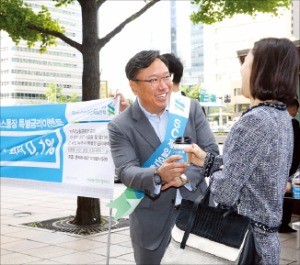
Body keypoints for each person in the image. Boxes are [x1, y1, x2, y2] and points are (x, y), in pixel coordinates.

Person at [184, 38, 299, 265]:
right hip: (265, 243)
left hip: (244, 245)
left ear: (260, 69)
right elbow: (255, 172)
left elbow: (225, 191)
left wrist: (215, 176)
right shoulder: (281, 116)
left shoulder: (255, 120)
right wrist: (208, 161)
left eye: (247, 62)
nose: (242, 69)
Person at [108, 50, 219, 264]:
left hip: (197, 214)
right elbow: (126, 171)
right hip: (151, 225)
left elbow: (210, 155)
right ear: (134, 86)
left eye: (166, 77)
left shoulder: (189, 109)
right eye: (153, 80)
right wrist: (158, 174)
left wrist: (185, 177)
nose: (163, 86)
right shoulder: (121, 125)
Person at [279, 98, 300, 233]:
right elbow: (297, 148)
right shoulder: (294, 124)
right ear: (293, 108)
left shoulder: (278, 122)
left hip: (278, 165)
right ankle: (284, 224)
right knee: (288, 195)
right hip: (291, 165)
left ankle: (279, 222)